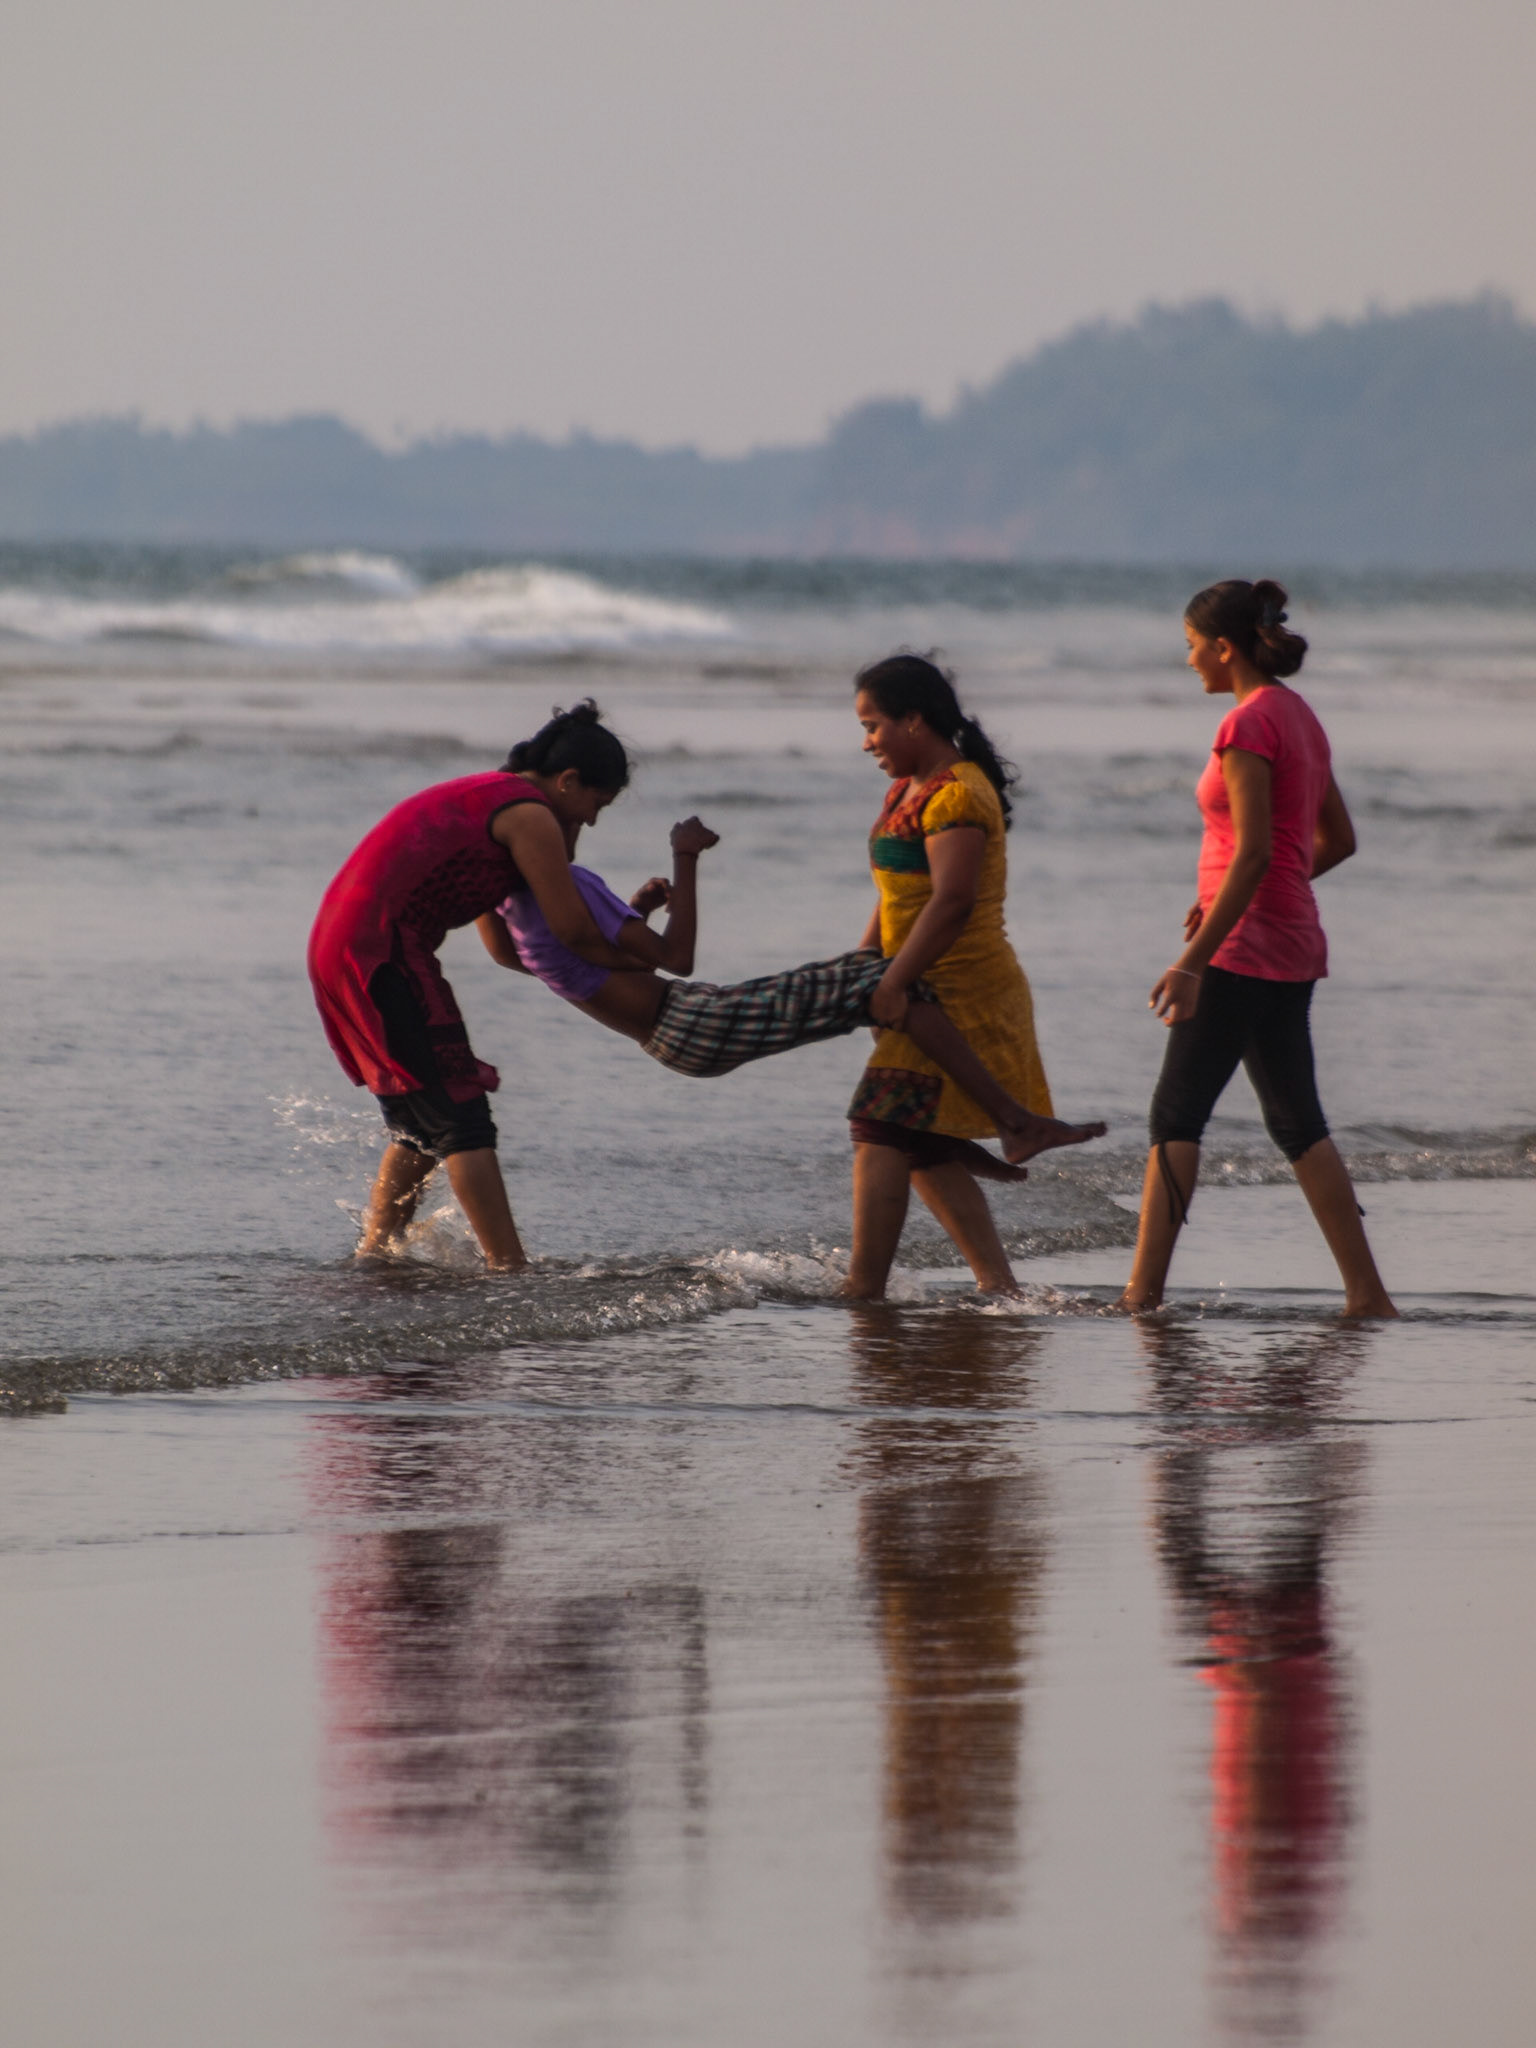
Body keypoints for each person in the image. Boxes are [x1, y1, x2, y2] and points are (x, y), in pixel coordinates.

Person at [478, 796, 1091, 1177]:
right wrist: (685, 857)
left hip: (676, 1034)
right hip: (693, 1018)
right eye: (582, 811)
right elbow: (678, 957)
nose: (580, 826)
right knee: (886, 975)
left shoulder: (515, 909)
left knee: (870, 983)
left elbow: (567, 966)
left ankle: (941, 1134)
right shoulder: (572, 885)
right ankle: (1013, 1121)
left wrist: (635, 907)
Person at [1117, 580, 1396, 1317]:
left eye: (1188, 647)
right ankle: (1368, 1296)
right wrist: (1224, 905)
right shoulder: (1299, 717)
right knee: (1299, 1123)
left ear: (1223, 646)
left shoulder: (1246, 726)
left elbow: (1250, 859)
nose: (1186, 662)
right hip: (1291, 939)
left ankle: (1141, 1296)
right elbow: (1335, 842)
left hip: (1241, 948)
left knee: (1175, 1119)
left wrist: (1194, 956)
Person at [308, 703, 640, 1269]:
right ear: (567, 781)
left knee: (420, 1122)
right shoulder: (530, 815)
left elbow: (504, 950)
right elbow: (573, 931)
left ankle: (376, 1257)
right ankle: (508, 1268)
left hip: (341, 945)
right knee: (463, 1119)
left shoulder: (494, 800)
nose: (589, 821)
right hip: (380, 951)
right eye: (593, 805)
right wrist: (643, 975)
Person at [842, 653, 1103, 1299]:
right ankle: (1000, 1288)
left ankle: (863, 1290)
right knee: (920, 1140)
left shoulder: (957, 792)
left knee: (878, 1123)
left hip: (964, 989)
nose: (867, 741)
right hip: (916, 981)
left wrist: (894, 982)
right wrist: (863, 959)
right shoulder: (906, 788)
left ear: (914, 719)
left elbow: (952, 901)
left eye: (874, 725)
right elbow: (897, 888)